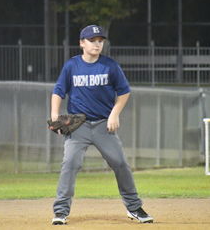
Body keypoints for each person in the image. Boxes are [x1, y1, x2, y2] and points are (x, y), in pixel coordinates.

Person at [50, 24, 153, 225]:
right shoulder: (72, 66)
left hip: (103, 125)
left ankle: (134, 208)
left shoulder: (110, 66)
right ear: (81, 43)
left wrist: (114, 114)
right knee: (70, 164)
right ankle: (61, 211)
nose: (97, 44)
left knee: (120, 164)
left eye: (100, 41)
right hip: (77, 126)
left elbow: (124, 92)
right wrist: (55, 115)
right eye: (92, 40)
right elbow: (58, 91)